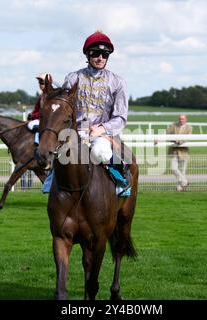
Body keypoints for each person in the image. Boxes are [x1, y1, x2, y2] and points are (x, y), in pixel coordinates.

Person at [57, 30, 131, 197]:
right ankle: (51, 179)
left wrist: (102, 129)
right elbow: (62, 109)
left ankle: (121, 181)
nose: (100, 58)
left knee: (100, 152)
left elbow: (120, 117)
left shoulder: (118, 82)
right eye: (96, 53)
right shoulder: (72, 78)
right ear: (88, 54)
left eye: (104, 54)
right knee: (58, 153)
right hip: (74, 132)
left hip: (102, 134)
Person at [166, 114, 192, 191]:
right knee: (174, 169)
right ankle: (185, 181)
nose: (181, 120)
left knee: (183, 171)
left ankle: (179, 188)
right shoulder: (173, 125)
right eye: (180, 119)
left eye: (183, 119)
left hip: (183, 152)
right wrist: (158, 139)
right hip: (174, 151)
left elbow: (188, 137)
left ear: (186, 119)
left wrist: (179, 141)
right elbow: (166, 134)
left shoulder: (189, 127)